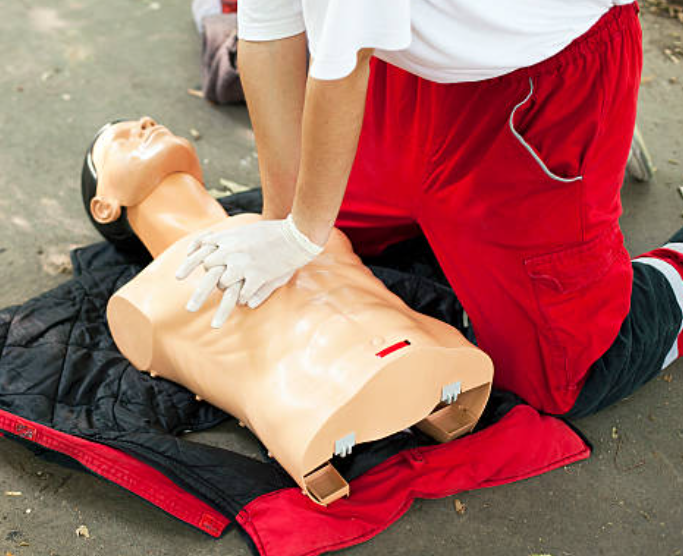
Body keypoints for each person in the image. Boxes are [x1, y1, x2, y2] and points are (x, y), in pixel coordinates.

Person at [175, 1, 683, 418]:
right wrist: (281, 221)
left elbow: (344, 62)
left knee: (559, 374)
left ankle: (664, 256)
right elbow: (268, 29)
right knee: (341, 238)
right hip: (409, 65)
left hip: (540, 82)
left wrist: (300, 235)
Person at [83, 118, 493, 504]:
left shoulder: (293, 213)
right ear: (104, 206)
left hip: (442, 356)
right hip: (319, 408)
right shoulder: (144, 301)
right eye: (120, 140)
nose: (144, 124)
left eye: (145, 122)